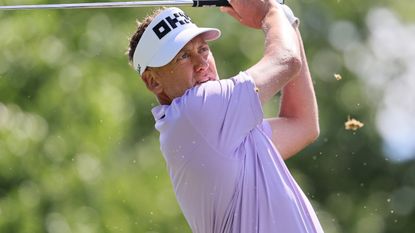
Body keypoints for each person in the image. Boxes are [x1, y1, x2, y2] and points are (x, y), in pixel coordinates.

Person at [127, 0, 323, 232]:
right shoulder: (197, 110)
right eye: (183, 57)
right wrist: (270, 12)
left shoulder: (218, 127)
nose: (201, 64)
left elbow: (302, 124)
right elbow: (287, 60)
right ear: (153, 81)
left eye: (203, 49)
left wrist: (287, 21)